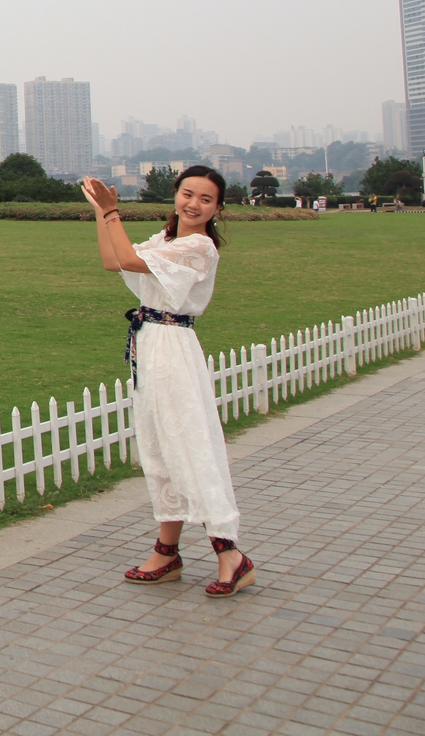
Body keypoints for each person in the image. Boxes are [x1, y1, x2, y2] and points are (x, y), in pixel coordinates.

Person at [80, 165, 255, 597]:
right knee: (158, 448)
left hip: (174, 347)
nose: (193, 204)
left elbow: (127, 258)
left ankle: (230, 552)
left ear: (217, 208)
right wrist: (102, 212)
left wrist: (113, 213)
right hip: (150, 345)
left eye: (205, 199)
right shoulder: (166, 241)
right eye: (187, 194)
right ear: (175, 194)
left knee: (189, 445)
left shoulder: (198, 247)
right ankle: (167, 552)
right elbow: (113, 261)